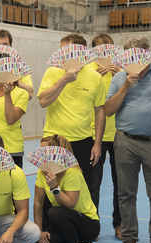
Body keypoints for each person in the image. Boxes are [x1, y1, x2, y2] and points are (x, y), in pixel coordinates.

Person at [104, 36, 151, 243]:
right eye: (130, 54)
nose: (135, 58)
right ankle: (129, 238)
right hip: (125, 141)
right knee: (125, 193)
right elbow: (108, 110)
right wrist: (125, 86)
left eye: (139, 53)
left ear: (148, 53)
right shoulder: (119, 77)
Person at [37, 33, 105, 191]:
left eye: (65, 50)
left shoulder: (95, 77)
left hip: (83, 142)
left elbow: (99, 111)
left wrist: (97, 144)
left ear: (80, 52)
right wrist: (64, 80)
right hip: (54, 141)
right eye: (60, 50)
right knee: (50, 188)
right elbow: (43, 102)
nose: (61, 54)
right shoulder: (52, 72)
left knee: (82, 189)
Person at [29, 135, 100, 243]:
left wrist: (55, 188)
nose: (41, 155)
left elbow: (70, 204)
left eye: (45, 151)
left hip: (87, 225)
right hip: (62, 222)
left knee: (54, 212)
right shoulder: (42, 171)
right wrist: (40, 231)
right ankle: (68, 242)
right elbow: (38, 203)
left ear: (57, 152)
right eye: (40, 151)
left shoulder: (71, 171)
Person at [88, 34, 122, 241]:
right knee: (93, 183)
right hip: (94, 135)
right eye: (100, 49)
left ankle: (119, 224)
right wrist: (97, 78)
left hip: (118, 134)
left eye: (108, 48)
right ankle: (92, 225)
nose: (105, 53)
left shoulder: (122, 71)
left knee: (121, 184)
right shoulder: (89, 71)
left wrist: (122, 77)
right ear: (93, 52)